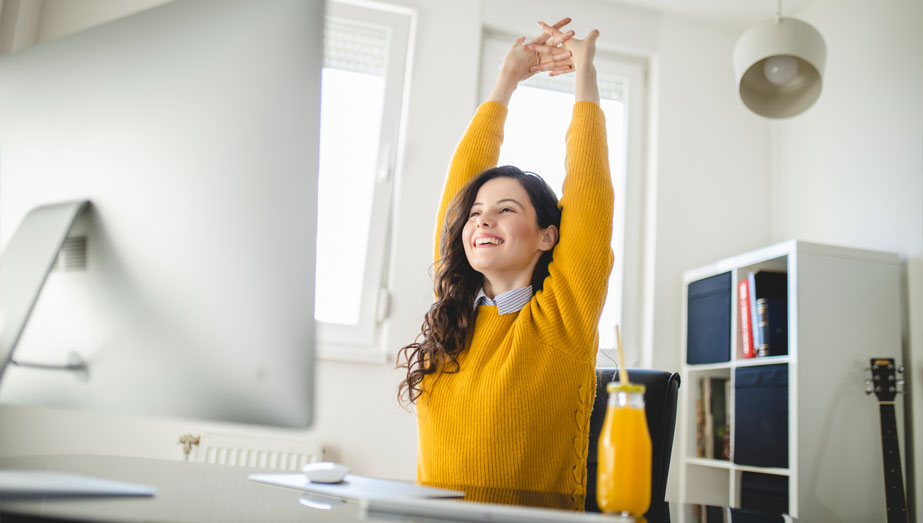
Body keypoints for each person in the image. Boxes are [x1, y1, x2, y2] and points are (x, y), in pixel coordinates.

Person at [396, 18, 613, 511]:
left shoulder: (562, 318)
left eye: (506, 210)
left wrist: (585, 73)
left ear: (547, 236)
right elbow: (461, 186)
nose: (481, 221)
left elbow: (590, 191)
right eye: (475, 214)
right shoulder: (452, 313)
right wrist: (506, 79)